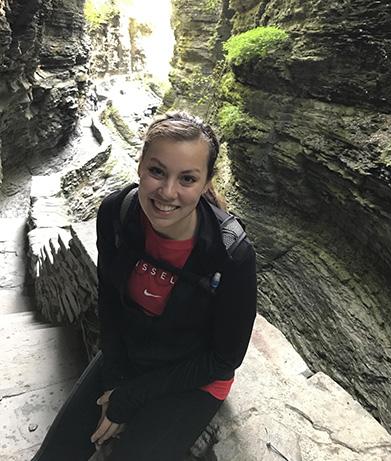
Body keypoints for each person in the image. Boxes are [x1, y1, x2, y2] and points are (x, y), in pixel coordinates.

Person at [32, 111, 257, 461]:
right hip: (134, 354)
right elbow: (109, 302)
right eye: (157, 171)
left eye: (187, 179)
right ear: (140, 166)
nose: (168, 192)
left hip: (195, 376)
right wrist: (114, 380)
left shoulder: (230, 254)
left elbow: (225, 358)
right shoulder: (116, 215)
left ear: (206, 181)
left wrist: (127, 399)